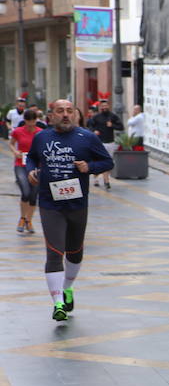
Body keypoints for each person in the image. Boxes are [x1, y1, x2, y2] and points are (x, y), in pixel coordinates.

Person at [25, 99, 113, 321]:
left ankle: (68, 288)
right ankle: (58, 304)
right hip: (49, 204)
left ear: (75, 114)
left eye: (69, 111)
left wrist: (89, 167)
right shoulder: (42, 137)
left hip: (77, 204)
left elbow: (107, 162)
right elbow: (32, 158)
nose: (65, 115)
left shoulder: (87, 138)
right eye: (60, 111)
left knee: (75, 252)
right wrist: (31, 172)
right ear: (50, 116)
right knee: (54, 253)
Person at [9, 109, 41, 233]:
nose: (31, 125)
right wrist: (15, 152)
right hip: (21, 165)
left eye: (33, 122)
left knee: (33, 195)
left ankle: (29, 220)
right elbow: (11, 143)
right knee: (25, 192)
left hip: (36, 167)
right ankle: (22, 218)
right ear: (25, 120)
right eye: (28, 122)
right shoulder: (18, 131)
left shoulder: (40, 133)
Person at [86, 98, 123, 189]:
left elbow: (121, 126)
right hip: (99, 142)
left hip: (110, 141)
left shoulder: (112, 116)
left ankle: (106, 180)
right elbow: (89, 126)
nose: (104, 107)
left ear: (108, 106)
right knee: (98, 161)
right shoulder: (96, 117)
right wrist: (94, 131)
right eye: (102, 106)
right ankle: (99, 180)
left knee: (108, 162)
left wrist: (112, 125)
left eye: (106, 105)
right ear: (100, 107)